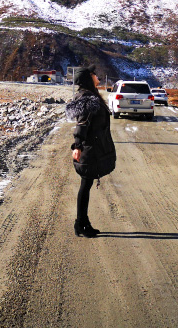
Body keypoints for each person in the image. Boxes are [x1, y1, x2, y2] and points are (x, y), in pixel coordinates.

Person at [65, 65, 116, 237]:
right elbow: (82, 124)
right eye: (94, 74)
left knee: (86, 186)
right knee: (85, 186)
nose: (97, 76)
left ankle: (83, 223)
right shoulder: (88, 99)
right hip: (89, 149)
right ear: (88, 78)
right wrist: (77, 146)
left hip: (93, 147)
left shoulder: (91, 96)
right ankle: (80, 224)